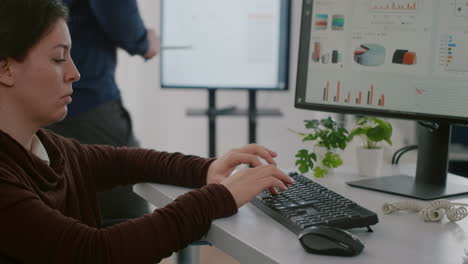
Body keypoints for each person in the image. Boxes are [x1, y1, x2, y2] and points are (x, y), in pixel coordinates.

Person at [0, 0, 294, 263]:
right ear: (6, 69)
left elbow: (123, 161)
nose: (74, 73)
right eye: (57, 58)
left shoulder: (47, 147)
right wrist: (218, 197)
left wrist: (206, 168)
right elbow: (96, 252)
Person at [46, 0, 160, 224]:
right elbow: (119, 17)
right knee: (126, 218)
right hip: (85, 105)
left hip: (29, 100)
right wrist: (145, 41)